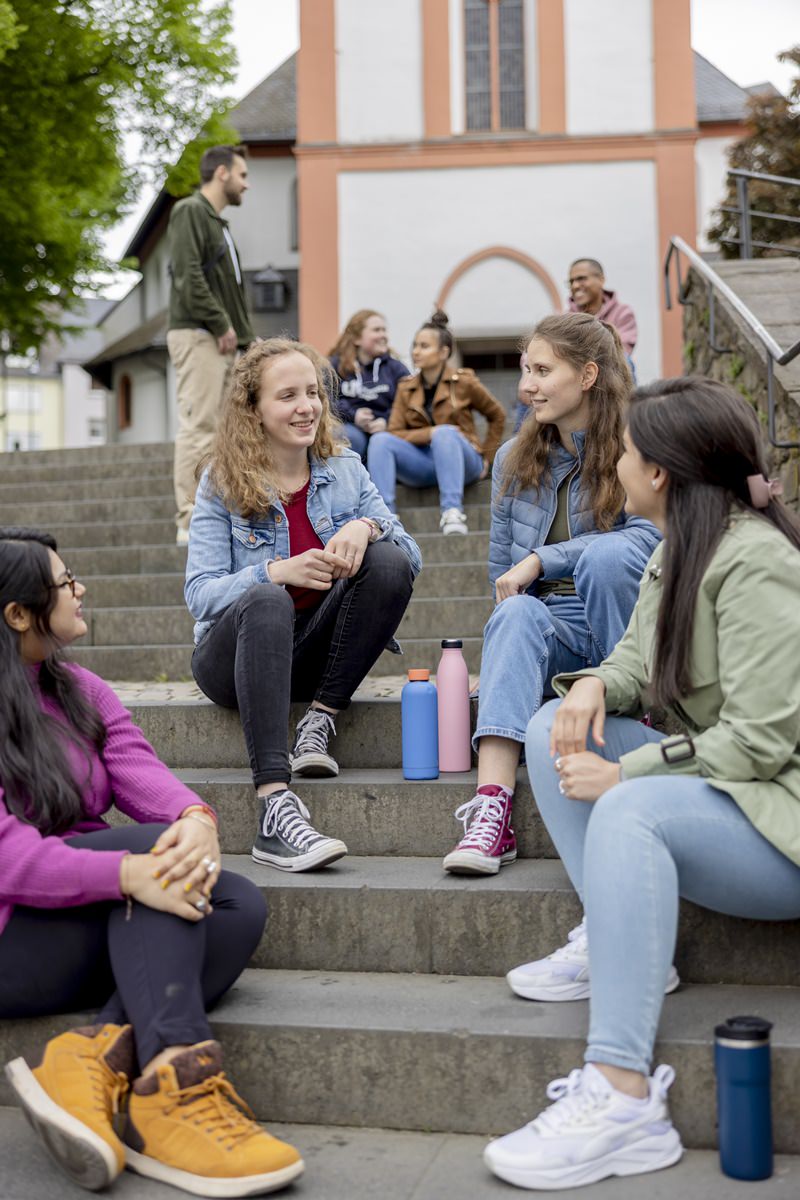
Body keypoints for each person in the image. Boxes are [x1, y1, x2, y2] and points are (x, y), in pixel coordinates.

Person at [485, 377, 800, 1191]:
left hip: (781, 823)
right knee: (543, 727)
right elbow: (634, 658)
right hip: (729, 789)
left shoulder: (758, 563)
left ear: (658, 471)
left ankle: (624, 1096)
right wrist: (592, 686)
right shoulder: (678, 547)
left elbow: (762, 743)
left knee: (628, 809)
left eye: (624, 450)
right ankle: (623, 941)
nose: (613, 461)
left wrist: (629, 770)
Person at [0, 528, 304, 1196]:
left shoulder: (80, 690)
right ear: (18, 612)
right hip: (10, 941)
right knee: (152, 859)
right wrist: (125, 872)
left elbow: (141, 773)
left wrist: (195, 820)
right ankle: (176, 1087)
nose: (80, 589)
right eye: (65, 581)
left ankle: (90, 1057)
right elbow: (6, 856)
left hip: (79, 915)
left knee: (238, 903)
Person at [186, 338, 420, 873]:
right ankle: (274, 806)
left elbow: (410, 553)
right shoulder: (219, 481)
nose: (306, 407)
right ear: (254, 410)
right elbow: (200, 593)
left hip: (313, 655)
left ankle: (321, 719)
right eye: (287, 395)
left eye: (313, 392)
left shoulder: (344, 468)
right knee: (266, 597)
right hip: (234, 659)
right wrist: (276, 571)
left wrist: (365, 526)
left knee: (385, 560)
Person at [442, 313, 659, 875]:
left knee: (610, 556)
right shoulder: (515, 457)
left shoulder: (636, 443)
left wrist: (545, 557)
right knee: (515, 611)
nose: (525, 386)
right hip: (553, 632)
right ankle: (491, 810)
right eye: (525, 370)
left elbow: (651, 537)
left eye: (542, 370)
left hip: (628, 628)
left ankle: (637, 718)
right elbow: (501, 571)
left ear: (587, 375)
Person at [167, 144, 254, 546]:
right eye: (243, 175)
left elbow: (231, 292)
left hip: (221, 340)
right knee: (200, 427)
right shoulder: (189, 211)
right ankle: (188, 519)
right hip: (199, 334)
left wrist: (249, 342)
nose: (246, 185)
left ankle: (213, 515)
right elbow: (186, 275)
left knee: (222, 431)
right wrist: (221, 324)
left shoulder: (219, 224)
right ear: (221, 173)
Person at [367, 310, 506, 535]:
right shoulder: (406, 387)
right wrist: (431, 432)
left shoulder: (464, 382)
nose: (416, 351)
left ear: (444, 352)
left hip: (463, 461)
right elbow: (394, 431)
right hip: (423, 463)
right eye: (415, 345)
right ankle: (385, 516)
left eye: (424, 346)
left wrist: (487, 457)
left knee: (445, 435)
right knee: (380, 440)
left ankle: (452, 511)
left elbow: (497, 415)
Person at [329, 310, 410, 460]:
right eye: (376, 330)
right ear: (357, 338)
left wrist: (387, 421)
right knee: (347, 437)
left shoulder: (396, 368)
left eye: (384, 330)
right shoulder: (335, 366)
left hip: (386, 430)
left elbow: (408, 404)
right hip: (349, 426)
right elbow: (326, 400)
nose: (383, 335)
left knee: (381, 441)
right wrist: (354, 415)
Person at [567, 258, 637, 372]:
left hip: (611, 375)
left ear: (601, 279)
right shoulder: (565, 318)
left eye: (581, 279)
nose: (574, 286)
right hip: (577, 377)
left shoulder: (622, 313)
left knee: (626, 360)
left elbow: (621, 352)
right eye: (571, 282)